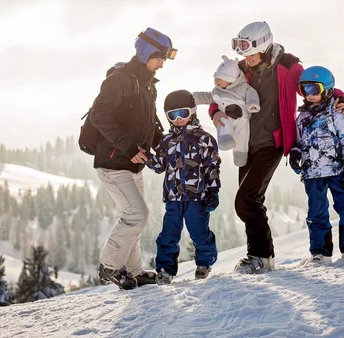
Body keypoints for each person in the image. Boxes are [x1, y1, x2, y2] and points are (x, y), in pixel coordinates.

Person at [209, 21, 344, 274]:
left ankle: (260, 256)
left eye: (250, 52)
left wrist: (338, 96)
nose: (246, 58)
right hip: (246, 143)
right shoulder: (240, 69)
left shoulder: (288, 66)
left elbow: (311, 82)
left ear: (263, 45)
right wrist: (214, 114)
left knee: (246, 199)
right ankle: (262, 256)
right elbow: (220, 92)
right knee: (250, 200)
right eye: (242, 53)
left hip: (273, 141)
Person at [90, 27, 177, 290]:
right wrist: (128, 147)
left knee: (133, 218)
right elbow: (99, 116)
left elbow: (150, 123)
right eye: (160, 58)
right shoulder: (120, 81)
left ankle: (136, 272)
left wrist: (167, 146)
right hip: (113, 163)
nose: (162, 65)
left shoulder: (147, 85)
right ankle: (109, 267)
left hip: (133, 165)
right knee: (137, 215)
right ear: (146, 52)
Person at [289, 66, 344, 265]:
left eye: (314, 89)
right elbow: (298, 142)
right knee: (316, 213)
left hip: (338, 171)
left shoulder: (337, 113)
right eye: (305, 90)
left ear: (327, 90)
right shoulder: (302, 118)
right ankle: (320, 253)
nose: (309, 95)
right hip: (313, 173)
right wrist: (295, 155)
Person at [147, 90, 221, 284]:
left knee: (198, 231)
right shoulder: (166, 141)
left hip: (197, 197)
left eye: (183, 113)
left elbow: (212, 166)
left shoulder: (204, 139)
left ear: (193, 112)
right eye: (173, 115)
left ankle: (204, 262)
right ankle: (165, 269)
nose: (179, 119)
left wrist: (213, 191)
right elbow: (159, 165)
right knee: (169, 234)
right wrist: (147, 157)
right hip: (173, 197)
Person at [192, 55, 260, 167]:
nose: (217, 81)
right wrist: (195, 98)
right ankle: (225, 140)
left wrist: (252, 104)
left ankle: (240, 156)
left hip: (242, 120)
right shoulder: (218, 91)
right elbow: (208, 97)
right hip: (226, 116)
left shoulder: (243, 88)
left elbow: (251, 95)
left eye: (220, 79)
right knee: (222, 122)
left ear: (230, 80)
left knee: (242, 137)